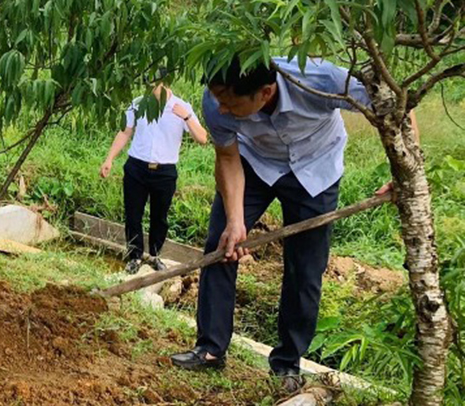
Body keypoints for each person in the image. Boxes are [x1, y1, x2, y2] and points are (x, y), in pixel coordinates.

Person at [171, 56, 414, 392]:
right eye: (220, 101)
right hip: (255, 165)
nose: (221, 110)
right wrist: (236, 219)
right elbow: (227, 157)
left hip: (316, 169)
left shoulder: (318, 79)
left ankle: (287, 363)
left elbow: (393, 105)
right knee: (221, 244)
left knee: (305, 268)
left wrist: (405, 172)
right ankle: (210, 349)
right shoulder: (217, 102)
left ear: (266, 92)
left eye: (231, 104)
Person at [100, 82, 208, 274]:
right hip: (136, 167)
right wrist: (109, 159)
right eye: (148, 83)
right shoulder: (138, 103)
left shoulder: (181, 107)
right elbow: (125, 131)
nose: (151, 88)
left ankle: (155, 255)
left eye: (155, 84)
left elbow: (202, 138)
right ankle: (135, 256)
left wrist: (187, 116)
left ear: (165, 83)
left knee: (160, 217)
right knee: (133, 214)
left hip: (165, 171)